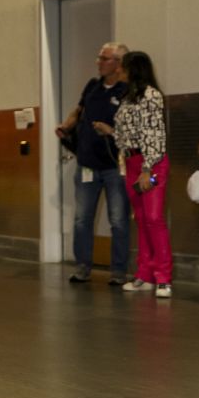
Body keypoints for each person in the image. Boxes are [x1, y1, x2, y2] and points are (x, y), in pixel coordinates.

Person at [55, 42, 130, 285]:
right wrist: (67, 125)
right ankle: (82, 266)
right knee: (82, 218)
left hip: (115, 165)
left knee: (118, 219)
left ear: (118, 64)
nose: (99, 62)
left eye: (104, 58)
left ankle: (118, 271)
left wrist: (111, 131)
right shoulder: (92, 86)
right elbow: (78, 110)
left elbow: (132, 128)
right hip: (87, 163)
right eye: (99, 57)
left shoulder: (127, 90)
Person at [98, 51, 172, 297]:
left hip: (150, 163)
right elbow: (128, 133)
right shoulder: (128, 97)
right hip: (130, 161)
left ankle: (164, 277)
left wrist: (147, 168)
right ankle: (145, 274)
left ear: (134, 69)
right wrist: (110, 131)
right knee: (140, 219)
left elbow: (154, 135)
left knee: (154, 218)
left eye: (123, 66)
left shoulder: (151, 95)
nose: (119, 70)